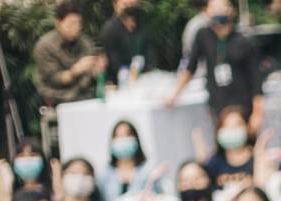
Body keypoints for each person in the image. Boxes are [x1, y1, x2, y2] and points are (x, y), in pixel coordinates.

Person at [169, 0, 263, 128]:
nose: (218, 10)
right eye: (214, 7)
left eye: (222, 6)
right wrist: (174, 95)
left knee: (237, 132)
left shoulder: (243, 40)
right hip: (218, 102)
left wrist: (258, 112)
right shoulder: (203, 35)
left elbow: (256, 77)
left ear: (232, 10)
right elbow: (190, 66)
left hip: (241, 103)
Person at [33, 2, 104, 109]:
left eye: (78, 23)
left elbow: (92, 77)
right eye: (71, 24)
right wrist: (74, 71)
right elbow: (53, 79)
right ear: (58, 23)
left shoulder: (85, 42)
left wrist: (97, 69)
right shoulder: (45, 46)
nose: (76, 28)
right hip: (59, 97)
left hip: (85, 94)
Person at [99, 0, 158, 79]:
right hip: (118, 78)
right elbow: (112, 62)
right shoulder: (109, 30)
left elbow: (150, 54)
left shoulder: (143, 26)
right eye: (126, 4)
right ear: (115, 5)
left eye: (133, 4)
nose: (130, 8)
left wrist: (149, 71)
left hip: (144, 77)